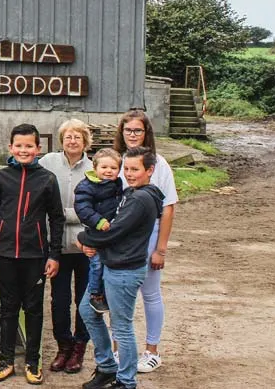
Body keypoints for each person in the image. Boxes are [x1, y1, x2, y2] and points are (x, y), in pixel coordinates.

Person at [0, 123, 64, 385]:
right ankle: (6, 361)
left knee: (33, 310)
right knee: (7, 309)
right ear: (10, 147)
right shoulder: (2, 177)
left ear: (38, 149)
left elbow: (57, 219)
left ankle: (33, 361)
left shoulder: (47, 179)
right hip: (5, 254)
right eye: (19, 145)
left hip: (35, 256)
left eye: (29, 146)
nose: (23, 150)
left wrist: (54, 255)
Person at [77, 147, 164, 389]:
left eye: (135, 169)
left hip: (124, 270)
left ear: (150, 170)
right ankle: (107, 366)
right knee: (87, 311)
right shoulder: (129, 192)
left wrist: (84, 238)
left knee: (121, 326)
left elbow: (114, 232)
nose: (129, 174)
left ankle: (126, 381)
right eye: (126, 169)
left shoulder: (141, 198)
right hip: (110, 264)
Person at [114, 109, 178, 374]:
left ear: (146, 132)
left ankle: (152, 350)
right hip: (117, 233)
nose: (132, 135)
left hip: (147, 233)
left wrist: (160, 249)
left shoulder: (158, 163)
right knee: (115, 294)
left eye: (137, 130)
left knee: (150, 292)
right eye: (128, 130)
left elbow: (169, 207)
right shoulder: (113, 160)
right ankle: (117, 349)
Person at [38, 119, 93, 373]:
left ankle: (80, 347)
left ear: (85, 141)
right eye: (68, 137)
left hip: (86, 248)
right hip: (56, 246)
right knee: (59, 301)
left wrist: (62, 213)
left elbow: (95, 211)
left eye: (77, 137)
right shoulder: (48, 162)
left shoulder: (93, 169)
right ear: (62, 140)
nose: (72, 141)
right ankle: (64, 346)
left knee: (84, 300)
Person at [74, 148, 124, 314]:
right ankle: (95, 294)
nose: (108, 171)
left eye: (113, 168)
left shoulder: (118, 185)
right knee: (96, 264)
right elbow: (83, 208)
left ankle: (105, 294)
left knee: (108, 264)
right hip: (96, 231)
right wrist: (98, 221)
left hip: (111, 233)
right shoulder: (87, 186)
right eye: (104, 167)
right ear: (95, 168)